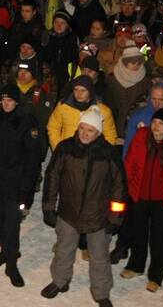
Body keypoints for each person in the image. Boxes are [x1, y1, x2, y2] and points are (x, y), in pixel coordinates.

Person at [40, 107, 125, 307]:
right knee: (63, 249)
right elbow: (52, 177)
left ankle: (101, 292)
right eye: (82, 129)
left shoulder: (109, 154)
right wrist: (49, 207)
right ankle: (59, 281)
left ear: (99, 132)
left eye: (90, 130)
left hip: (98, 216)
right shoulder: (65, 148)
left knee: (99, 256)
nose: (85, 134)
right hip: (69, 212)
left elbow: (119, 188)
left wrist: (115, 217)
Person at [120, 108, 163, 293]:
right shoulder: (141, 137)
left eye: (161, 123)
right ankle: (136, 265)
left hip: (162, 199)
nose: (156, 126)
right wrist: (126, 184)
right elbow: (130, 161)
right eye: (155, 122)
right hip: (139, 195)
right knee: (138, 232)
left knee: (159, 237)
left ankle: (156, 275)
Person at [0, 83, 42, 288]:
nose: (6, 104)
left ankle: (12, 264)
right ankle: (5, 251)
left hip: (16, 186)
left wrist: (26, 191)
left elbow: (33, 159)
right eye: (3, 100)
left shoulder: (27, 121)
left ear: (17, 101)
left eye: (10, 100)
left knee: (12, 226)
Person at [46, 74, 116, 152]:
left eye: (83, 90)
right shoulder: (63, 106)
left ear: (90, 91)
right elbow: (53, 127)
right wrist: (58, 148)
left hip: (92, 155)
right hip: (67, 153)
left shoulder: (103, 111)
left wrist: (102, 155)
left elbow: (110, 135)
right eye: (76, 89)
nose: (79, 93)